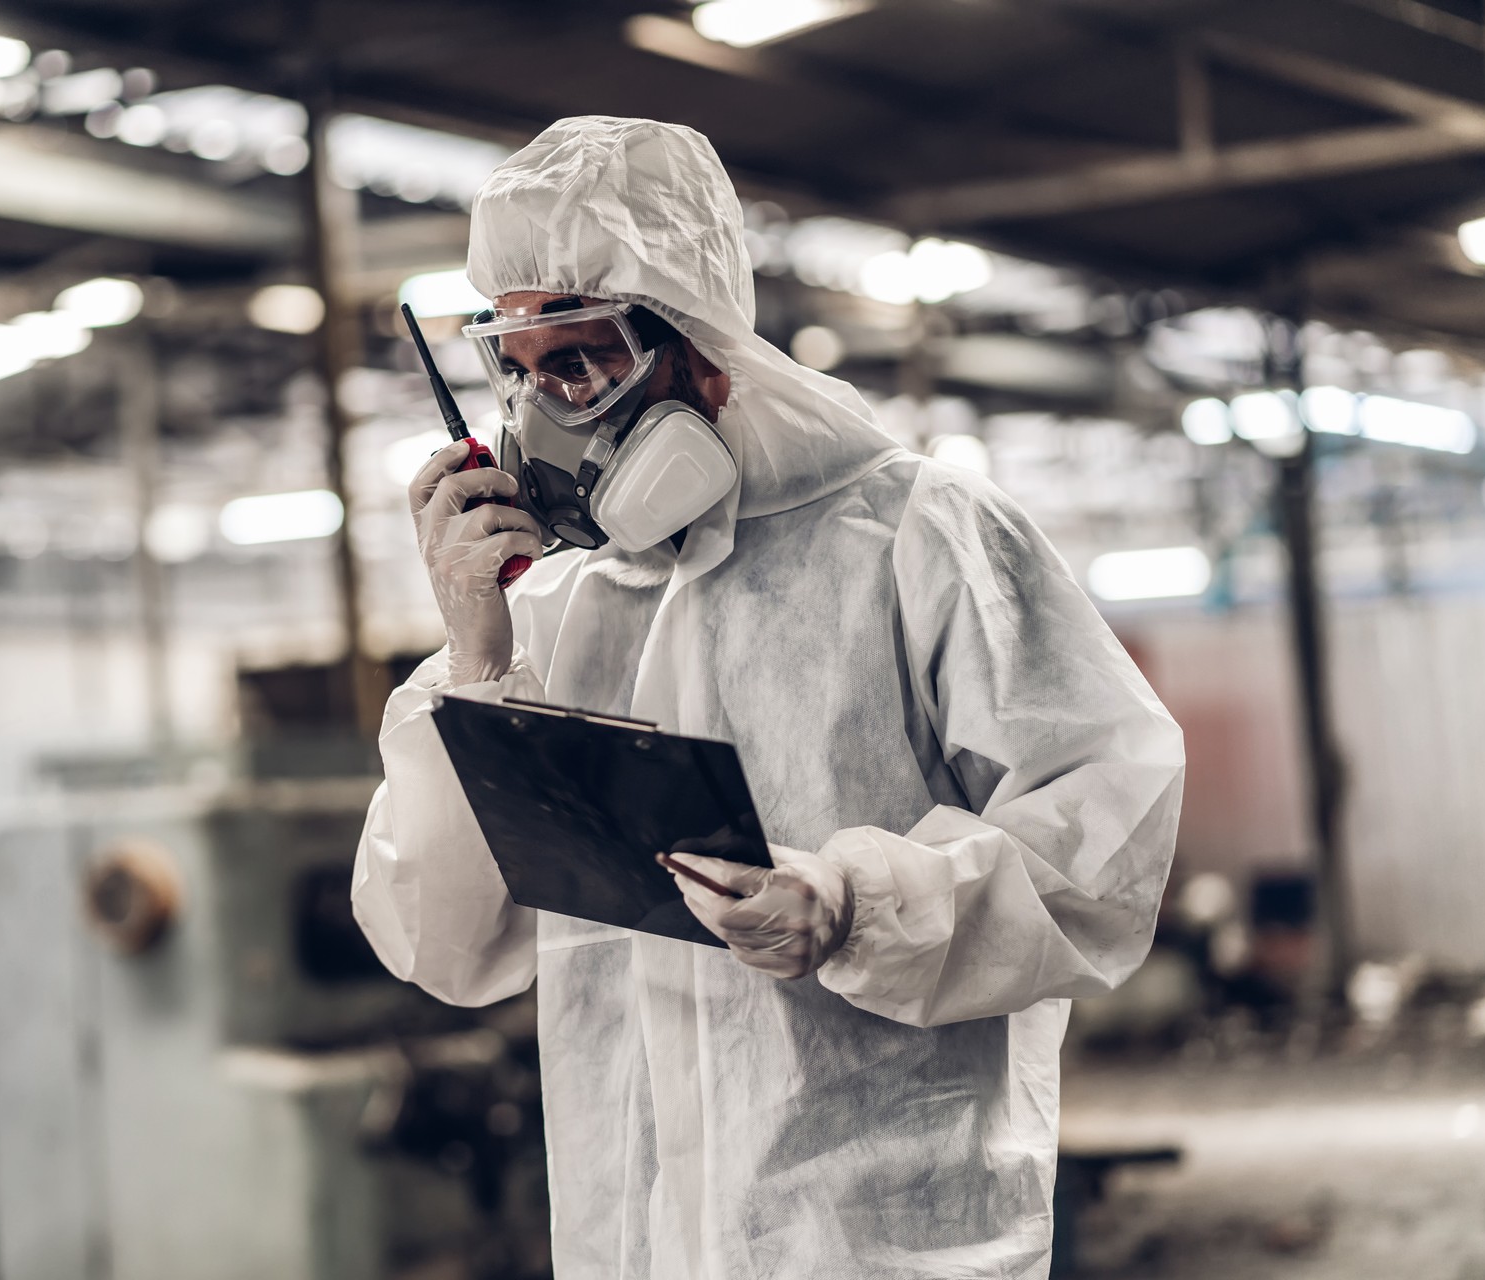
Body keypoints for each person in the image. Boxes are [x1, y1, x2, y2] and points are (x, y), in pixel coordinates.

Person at [352, 115, 1184, 1279]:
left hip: (884, 1240)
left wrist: (852, 905)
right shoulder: (553, 604)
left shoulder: (916, 534)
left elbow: (1107, 846)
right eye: (522, 370)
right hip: (638, 1242)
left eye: (581, 360)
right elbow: (448, 945)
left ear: (697, 349)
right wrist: (476, 660)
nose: (546, 414)